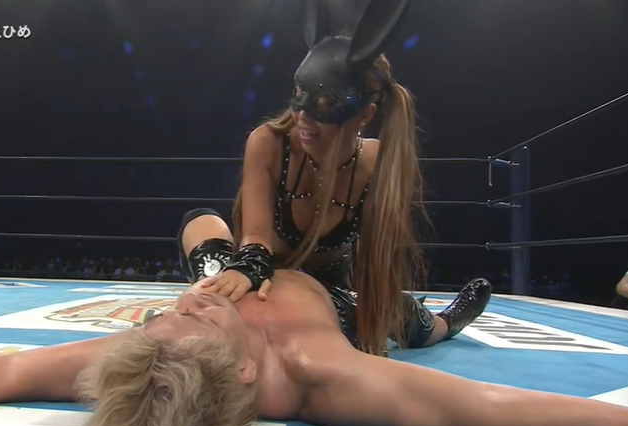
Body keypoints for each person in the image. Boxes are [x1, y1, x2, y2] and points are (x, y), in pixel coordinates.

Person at [0, 268, 627, 426]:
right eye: (194, 317)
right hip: (340, 296)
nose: (182, 306)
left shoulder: (151, 350)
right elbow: (486, 411)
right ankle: (441, 319)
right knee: (415, 324)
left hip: (257, 254)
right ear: (242, 375)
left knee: (205, 236)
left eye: (167, 313)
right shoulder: (319, 373)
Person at [179, 0, 490, 355]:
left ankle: (445, 322)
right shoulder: (268, 143)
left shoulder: (375, 163)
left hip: (326, 289)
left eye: (325, 108)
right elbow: (256, 236)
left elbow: (375, 266)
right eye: (300, 98)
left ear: (364, 116)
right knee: (202, 227)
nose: (303, 118)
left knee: (394, 317)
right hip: (266, 271)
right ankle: (227, 299)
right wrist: (245, 270)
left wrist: (370, 322)